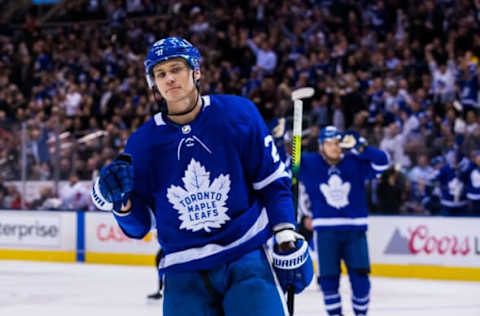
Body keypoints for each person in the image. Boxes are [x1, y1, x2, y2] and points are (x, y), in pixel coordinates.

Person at [91, 37, 312, 316]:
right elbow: (140, 226)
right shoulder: (143, 143)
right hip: (183, 274)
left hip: (244, 259)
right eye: (161, 74)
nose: (169, 78)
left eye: (176, 69)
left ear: (196, 71)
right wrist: (121, 205)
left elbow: (272, 183)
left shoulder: (238, 114)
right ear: (153, 84)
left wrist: (285, 234)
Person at [298, 126, 389, 316]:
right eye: (329, 143)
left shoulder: (355, 161)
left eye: (337, 143)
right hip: (325, 232)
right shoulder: (309, 163)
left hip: (355, 231)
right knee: (328, 282)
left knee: (361, 281)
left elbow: (383, 162)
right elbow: (285, 167)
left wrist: (361, 147)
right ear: (321, 146)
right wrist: (283, 142)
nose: (334, 147)